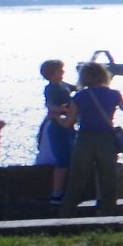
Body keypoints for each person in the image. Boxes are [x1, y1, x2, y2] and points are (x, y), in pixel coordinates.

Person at [59, 65, 123, 216]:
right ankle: (108, 216)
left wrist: (54, 115)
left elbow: (68, 123)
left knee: (77, 180)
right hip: (106, 140)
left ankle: (65, 215)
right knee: (109, 180)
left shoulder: (80, 96)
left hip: (84, 140)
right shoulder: (114, 94)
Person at [36, 59, 77, 201]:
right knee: (63, 159)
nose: (63, 72)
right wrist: (61, 109)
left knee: (71, 156)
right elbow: (51, 105)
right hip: (58, 125)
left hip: (69, 124)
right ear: (51, 73)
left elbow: (79, 88)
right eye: (60, 70)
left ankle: (66, 190)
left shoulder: (64, 85)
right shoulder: (51, 88)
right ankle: (57, 192)